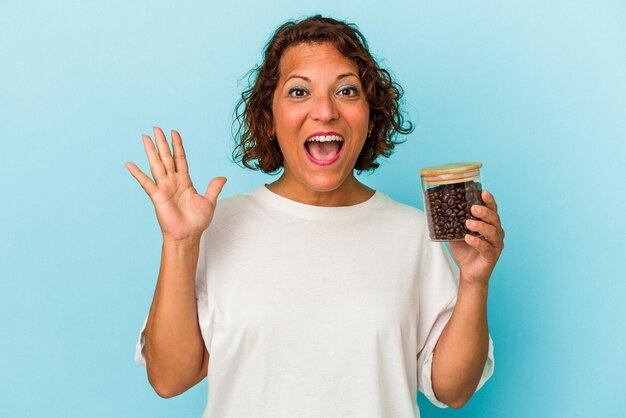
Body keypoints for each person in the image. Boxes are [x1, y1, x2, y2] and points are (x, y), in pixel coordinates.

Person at [126, 15, 504, 418]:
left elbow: (454, 390)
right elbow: (169, 379)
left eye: (346, 90)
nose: (324, 111)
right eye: (299, 91)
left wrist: (474, 281)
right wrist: (181, 243)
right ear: (269, 119)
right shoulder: (217, 227)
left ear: (370, 116)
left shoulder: (412, 233)